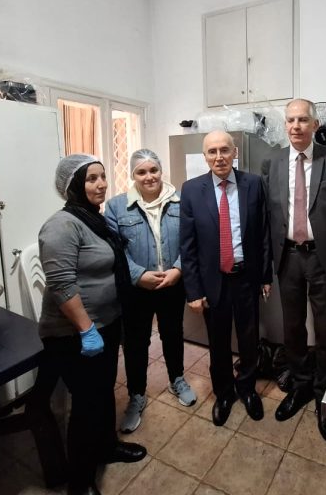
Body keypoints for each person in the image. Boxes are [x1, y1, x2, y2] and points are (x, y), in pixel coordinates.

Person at [26, 154, 146, 495]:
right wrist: (86, 329)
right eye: (92, 179)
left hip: (105, 324)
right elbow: (61, 283)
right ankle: (80, 483)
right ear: (74, 186)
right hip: (74, 334)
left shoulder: (94, 219)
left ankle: (106, 447)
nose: (101, 184)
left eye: (103, 176)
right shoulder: (61, 225)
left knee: (103, 392)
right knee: (86, 405)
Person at [261, 98, 326, 442]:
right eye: (290, 120)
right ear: (285, 125)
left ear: (315, 125)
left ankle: (324, 395)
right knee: (293, 327)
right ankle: (300, 385)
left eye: (302, 120)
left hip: (321, 257)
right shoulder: (272, 162)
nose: (296, 126)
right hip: (288, 257)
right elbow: (268, 215)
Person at [179, 131, 272, 427]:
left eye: (224, 150)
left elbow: (263, 233)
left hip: (246, 278)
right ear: (205, 156)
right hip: (212, 282)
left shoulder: (253, 184)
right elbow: (187, 245)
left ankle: (247, 389)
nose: (219, 157)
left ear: (235, 153)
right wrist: (193, 291)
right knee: (217, 342)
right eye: (212, 151)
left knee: (248, 339)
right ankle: (223, 393)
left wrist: (265, 276)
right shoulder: (191, 190)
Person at [105, 149, 196, 435]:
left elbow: (191, 241)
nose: (149, 177)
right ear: (132, 175)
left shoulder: (180, 201)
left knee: (173, 333)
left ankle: (177, 379)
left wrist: (178, 269)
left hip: (172, 284)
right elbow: (114, 249)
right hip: (137, 289)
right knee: (135, 342)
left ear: (161, 170)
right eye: (141, 172)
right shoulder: (116, 207)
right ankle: (136, 395)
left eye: (153, 170)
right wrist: (138, 275)